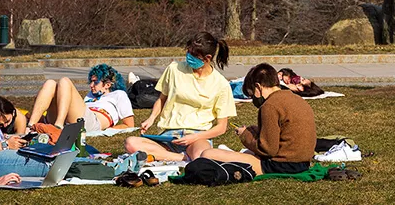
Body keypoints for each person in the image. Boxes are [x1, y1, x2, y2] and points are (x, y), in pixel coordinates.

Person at [125, 32, 236, 161]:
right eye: (188, 52)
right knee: (131, 143)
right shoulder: (174, 69)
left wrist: (194, 138)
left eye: (194, 55)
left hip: (197, 136)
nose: (189, 57)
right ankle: (181, 158)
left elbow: (221, 127)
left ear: (207, 58)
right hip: (168, 136)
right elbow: (162, 99)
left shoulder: (221, 84)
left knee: (201, 154)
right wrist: (151, 118)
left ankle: (169, 157)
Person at [201, 63, 317, 175]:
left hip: (281, 165)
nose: (253, 100)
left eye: (252, 95)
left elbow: (267, 149)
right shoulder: (297, 99)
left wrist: (244, 135)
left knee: (208, 154)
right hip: (303, 162)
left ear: (258, 87)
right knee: (246, 153)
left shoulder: (270, 106)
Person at [27, 64, 134, 132]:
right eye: (91, 81)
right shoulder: (90, 95)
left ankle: (58, 127)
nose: (91, 85)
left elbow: (129, 124)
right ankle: (30, 127)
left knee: (65, 81)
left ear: (107, 85)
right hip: (73, 119)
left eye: (95, 82)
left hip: (93, 121)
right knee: (50, 83)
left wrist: (108, 129)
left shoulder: (119, 94)